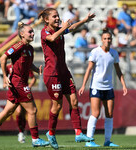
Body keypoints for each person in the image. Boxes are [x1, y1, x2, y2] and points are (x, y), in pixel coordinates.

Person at [0, 22, 49, 148]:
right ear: (22, 34)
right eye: (30, 32)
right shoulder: (18, 46)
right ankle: (35, 139)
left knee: (8, 110)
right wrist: (4, 77)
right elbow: (3, 58)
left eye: (33, 31)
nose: (32, 33)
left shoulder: (30, 48)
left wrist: (36, 70)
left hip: (19, 83)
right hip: (17, 82)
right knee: (32, 110)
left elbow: (28, 65)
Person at [38, 7, 95, 149]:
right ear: (46, 19)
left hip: (64, 72)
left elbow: (72, 27)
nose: (57, 18)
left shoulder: (60, 30)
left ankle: (78, 133)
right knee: (56, 106)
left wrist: (85, 20)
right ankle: (51, 133)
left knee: (74, 101)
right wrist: (63, 28)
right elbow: (52, 38)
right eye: (54, 17)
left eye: (58, 16)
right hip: (52, 74)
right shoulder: (45, 32)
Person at [78, 29, 128, 147]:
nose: (107, 40)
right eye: (105, 38)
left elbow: (118, 70)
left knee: (109, 113)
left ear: (111, 40)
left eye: (109, 38)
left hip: (108, 87)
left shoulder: (114, 53)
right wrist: (84, 85)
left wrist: (124, 85)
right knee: (95, 113)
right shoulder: (95, 52)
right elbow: (89, 69)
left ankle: (107, 141)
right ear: (102, 40)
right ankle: (89, 141)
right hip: (96, 86)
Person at [6, 63, 36, 143]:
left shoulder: (24, 64)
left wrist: (28, 87)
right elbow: (5, 76)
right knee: (18, 112)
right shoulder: (8, 66)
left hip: (23, 91)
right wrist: (5, 82)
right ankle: (21, 133)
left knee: (23, 113)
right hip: (14, 91)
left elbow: (33, 78)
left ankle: (21, 132)